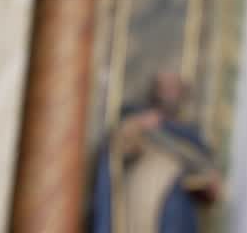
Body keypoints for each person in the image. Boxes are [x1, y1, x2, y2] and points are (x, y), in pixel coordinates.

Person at [90, 71, 223, 233]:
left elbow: (208, 179)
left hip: (179, 206)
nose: (170, 93)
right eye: (165, 87)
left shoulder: (191, 136)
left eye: (175, 88)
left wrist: (209, 181)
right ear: (155, 92)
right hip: (143, 204)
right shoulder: (140, 119)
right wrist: (138, 125)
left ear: (183, 94)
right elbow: (117, 149)